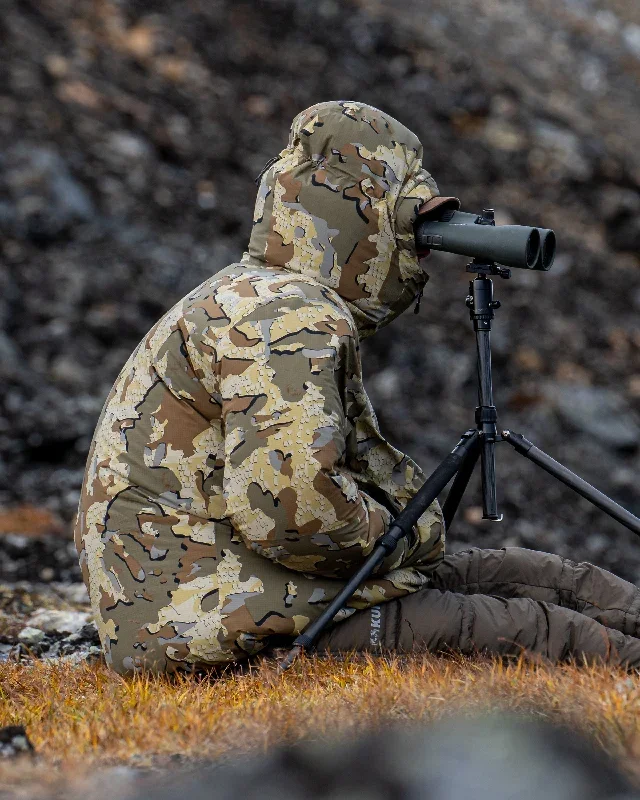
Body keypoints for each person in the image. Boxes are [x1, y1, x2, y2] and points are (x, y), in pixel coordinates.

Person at [74, 100, 640, 674]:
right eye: (409, 221)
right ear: (359, 215)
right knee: (529, 628)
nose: (421, 247)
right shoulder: (285, 317)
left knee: (535, 576)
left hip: (243, 587)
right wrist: (407, 537)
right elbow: (293, 512)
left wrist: (404, 539)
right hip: (206, 623)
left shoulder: (264, 295)